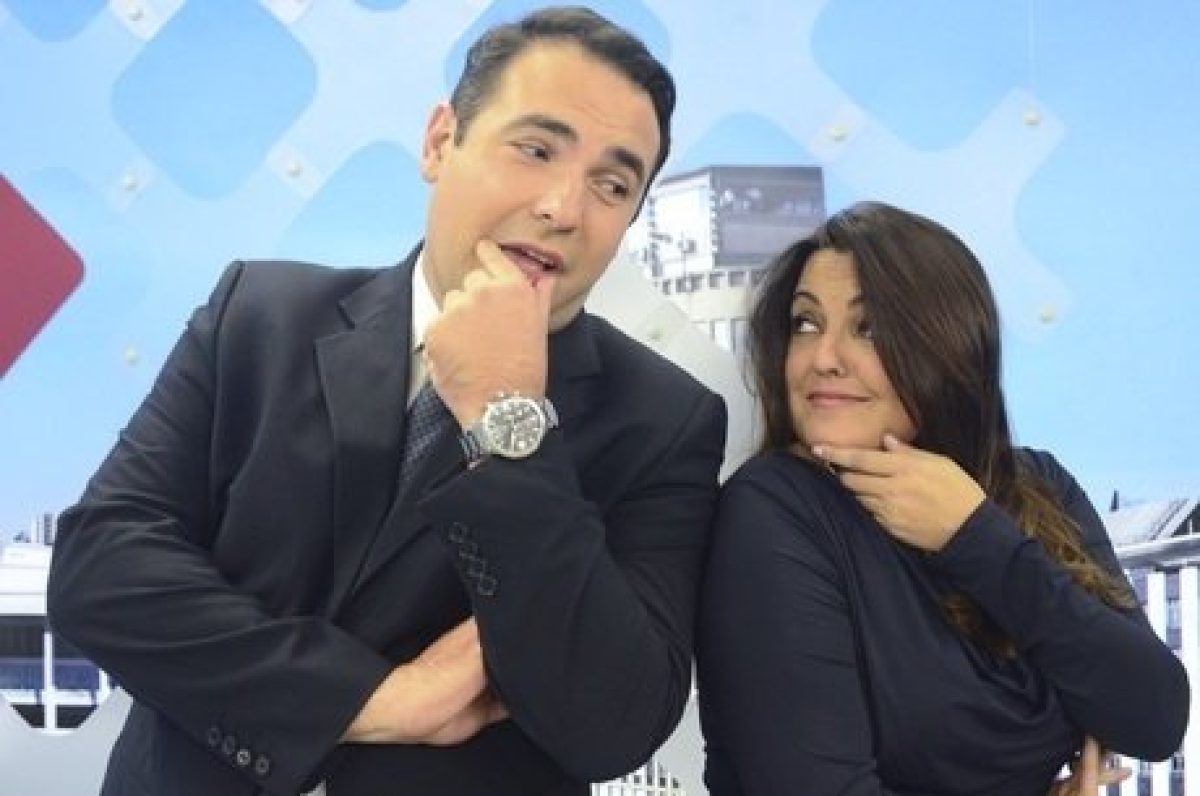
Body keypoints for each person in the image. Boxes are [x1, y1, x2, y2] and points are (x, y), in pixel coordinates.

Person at [46, 7, 727, 795]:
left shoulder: (663, 420)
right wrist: (374, 701)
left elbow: (615, 721)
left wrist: (506, 416)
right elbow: (101, 570)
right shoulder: (259, 315)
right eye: (536, 149)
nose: (563, 209)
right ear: (440, 141)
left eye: (613, 185)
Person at [696, 201, 1188, 795]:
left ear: (945, 346)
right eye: (806, 324)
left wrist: (976, 537)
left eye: (867, 329)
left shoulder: (1036, 486)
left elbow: (1153, 718)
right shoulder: (772, 512)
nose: (823, 359)